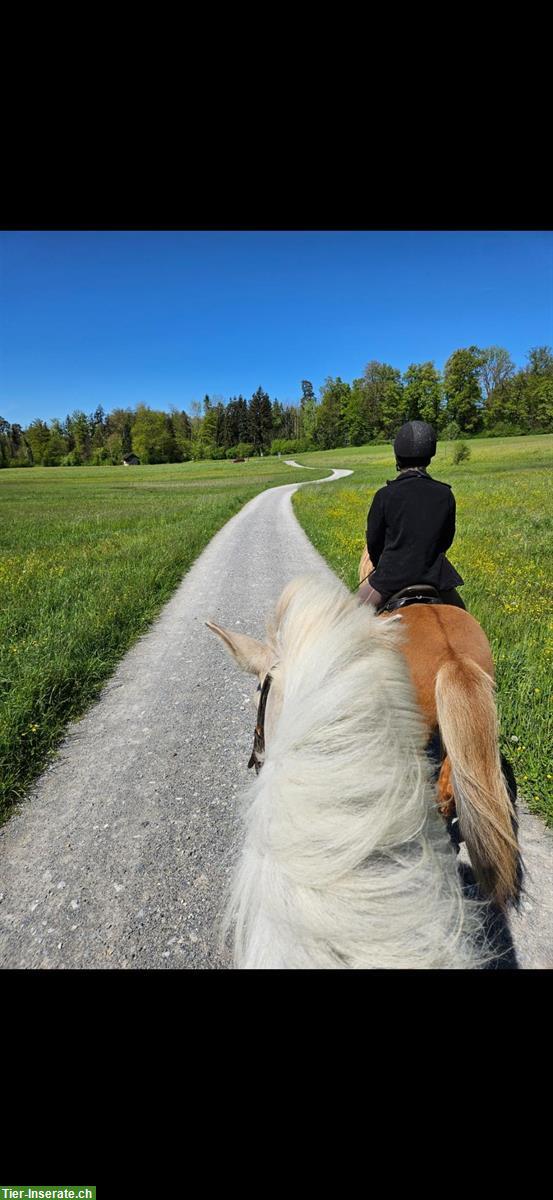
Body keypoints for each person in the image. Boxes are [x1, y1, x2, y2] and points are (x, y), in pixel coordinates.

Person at [358, 420, 466, 611]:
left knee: (351, 617)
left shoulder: (385, 495)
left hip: (389, 579)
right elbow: (445, 541)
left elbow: (374, 542)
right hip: (436, 579)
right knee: (464, 619)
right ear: (429, 456)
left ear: (397, 456)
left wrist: (380, 565)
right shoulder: (445, 494)